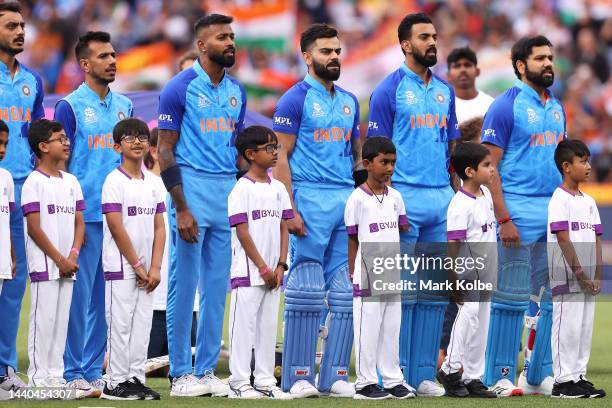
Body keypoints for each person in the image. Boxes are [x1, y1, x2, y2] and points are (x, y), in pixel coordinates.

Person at [367, 12, 459, 396]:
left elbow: (451, 146)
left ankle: (422, 373)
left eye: (434, 35)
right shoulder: (387, 91)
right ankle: (395, 373)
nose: (432, 41)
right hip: (402, 197)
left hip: (441, 197)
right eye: (424, 36)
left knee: (435, 293)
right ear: (406, 45)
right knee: (400, 292)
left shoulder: (445, 91)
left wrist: (455, 195)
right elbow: (374, 151)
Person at [157, 13, 246, 397]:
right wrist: (181, 207)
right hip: (190, 190)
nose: (230, 42)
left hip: (225, 192)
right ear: (201, 45)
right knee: (184, 283)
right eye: (222, 37)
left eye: (231, 36)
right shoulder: (178, 88)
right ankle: (179, 374)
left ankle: (207, 370)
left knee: (216, 287)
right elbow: (164, 151)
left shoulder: (237, 91)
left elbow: (239, 153)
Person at [272, 23, 360, 398]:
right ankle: (298, 375)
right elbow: (280, 158)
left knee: (344, 290)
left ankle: (336, 374)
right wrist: (289, 209)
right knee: (306, 289)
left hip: (344, 200)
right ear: (307, 57)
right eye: (326, 51)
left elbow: (355, 156)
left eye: (337, 51)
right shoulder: (294, 99)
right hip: (308, 198)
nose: (334, 57)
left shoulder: (350, 100)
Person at [481, 35, 566, 396]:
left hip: (553, 209)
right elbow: (487, 167)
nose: (548, 63)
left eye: (550, 57)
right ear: (520, 66)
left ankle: (537, 375)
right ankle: (496, 375)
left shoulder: (558, 107)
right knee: (509, 296)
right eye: (540, 58)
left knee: (550, 297)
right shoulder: (505, 106)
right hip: (517, 208)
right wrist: (503, 218)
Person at [54, 31, 133, 397]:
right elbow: (62, 164)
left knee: (106, 300)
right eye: (103, 56)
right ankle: (72, 371)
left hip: (119, 217)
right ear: (85, 65)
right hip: (84, 217)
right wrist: (71, 217)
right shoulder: (69, 107)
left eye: (114, 55)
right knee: (79, 297)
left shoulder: (125, 106)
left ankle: (91, 369)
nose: (112, 61)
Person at [345, 137, 415, 400]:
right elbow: (352, 238)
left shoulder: (396, 197)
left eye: (393, 163)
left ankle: (393, 379)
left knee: (390, 328)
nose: (389, 168)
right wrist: (354, 272)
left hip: (391, 272)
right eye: (384, 162)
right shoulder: (357, 199)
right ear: (367, 163)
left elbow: (400, 228)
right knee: (368, 328)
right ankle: (365, 383)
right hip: (367, 274)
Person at [100, 118, 165, 400]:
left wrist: (155, 267)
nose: (137, 141)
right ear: (117, 146)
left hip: (148, 271)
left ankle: (135, 379)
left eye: (141, 137)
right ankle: (115, 382)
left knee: (142, 326)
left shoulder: (153, 183)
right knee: (120, 324)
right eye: (129, 138)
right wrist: (138, 266)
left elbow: (159, 226)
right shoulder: (113, 181)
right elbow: (116, 226)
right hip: (121, 267)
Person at [227, 125, 292, 400]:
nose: (275, 152)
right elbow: (242, 232)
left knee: (267, 328)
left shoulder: (278, 188)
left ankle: (265, 380)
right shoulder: (241, 189)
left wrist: (279, 265)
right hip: (248, 272)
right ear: (251, 154)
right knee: (243, 328)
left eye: (276, 146)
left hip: (273, 274)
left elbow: (284, 227)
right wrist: (263, 268)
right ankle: (239, 381)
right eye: (269, 148)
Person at [21, 119, 85, 389]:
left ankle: (56, 377)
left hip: (67, 265)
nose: (66, 142)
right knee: (43, 320)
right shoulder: (33, 182)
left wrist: (72, 255)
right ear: (43, 146)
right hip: (45, 265)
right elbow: (34, 228)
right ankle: (39, 377)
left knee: (61, 322)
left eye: (66, 138)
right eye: (60, 138)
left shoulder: (71, 181)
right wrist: (59, 259)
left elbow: (79, 223)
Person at [0, 2, 45, 388]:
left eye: (22, 25)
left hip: (21, 188)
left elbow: (37, 139)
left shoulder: (32, 80)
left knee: (14, 279)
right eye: (11, 25)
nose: (19, 32)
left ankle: (5, 368)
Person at [436, 142, 497, 398]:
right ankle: (450, 370)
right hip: (467, 271)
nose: (493, 169)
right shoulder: (460, 203)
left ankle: (473, 376)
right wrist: (453, 278)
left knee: (482, 322)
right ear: (470, 171)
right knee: (468, 315)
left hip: (487, 270)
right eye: (487, 165)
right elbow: (453, 244)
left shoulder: (487, 194)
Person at [548, 140, 605, 399]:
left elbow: (596, 238)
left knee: (583, 329)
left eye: (588, 160)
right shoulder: (559, 199)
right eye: (582, 161)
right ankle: (563, 381)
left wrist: (596, 275)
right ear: (567, 166)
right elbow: (562, 239)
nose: (588, 166)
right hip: (567, 276)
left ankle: (579, 376)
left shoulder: (590, 201)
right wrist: (580, 274)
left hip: (587, 280)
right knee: (567, 328)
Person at [145, 128, 198, 376]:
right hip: (151, 296)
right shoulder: (143, 183)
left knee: (189, 364)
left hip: (189, 301)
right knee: (150, 368)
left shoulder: (191, 183)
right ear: (154, 151)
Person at [0, 121, 17, 398]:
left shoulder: (6, 178)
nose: (2, 150)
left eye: (5, 144)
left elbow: (8, 220)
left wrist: (11, 255)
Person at [446, 47, 494, 124]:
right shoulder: (440, 108)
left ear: (477, 71)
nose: (462, 70)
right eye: (457, 66)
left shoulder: (491, 105)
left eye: (467, 65)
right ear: (448, 76)